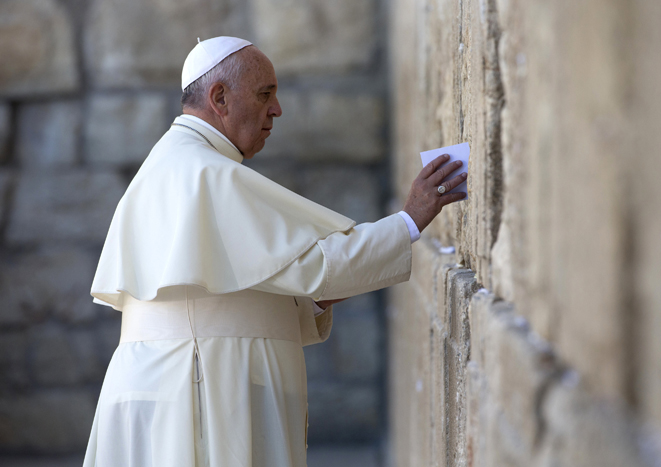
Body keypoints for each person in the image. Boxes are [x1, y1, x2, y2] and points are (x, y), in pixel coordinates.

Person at [83, 37, 467, 467]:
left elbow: (272, 282)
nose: (277, 110)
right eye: (265, 94)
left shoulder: (176, 162)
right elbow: (315, 265)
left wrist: (319, 293)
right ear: (220, 98)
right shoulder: (204, 172)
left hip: (174, 383)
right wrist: (410, 219)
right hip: (197, 389)